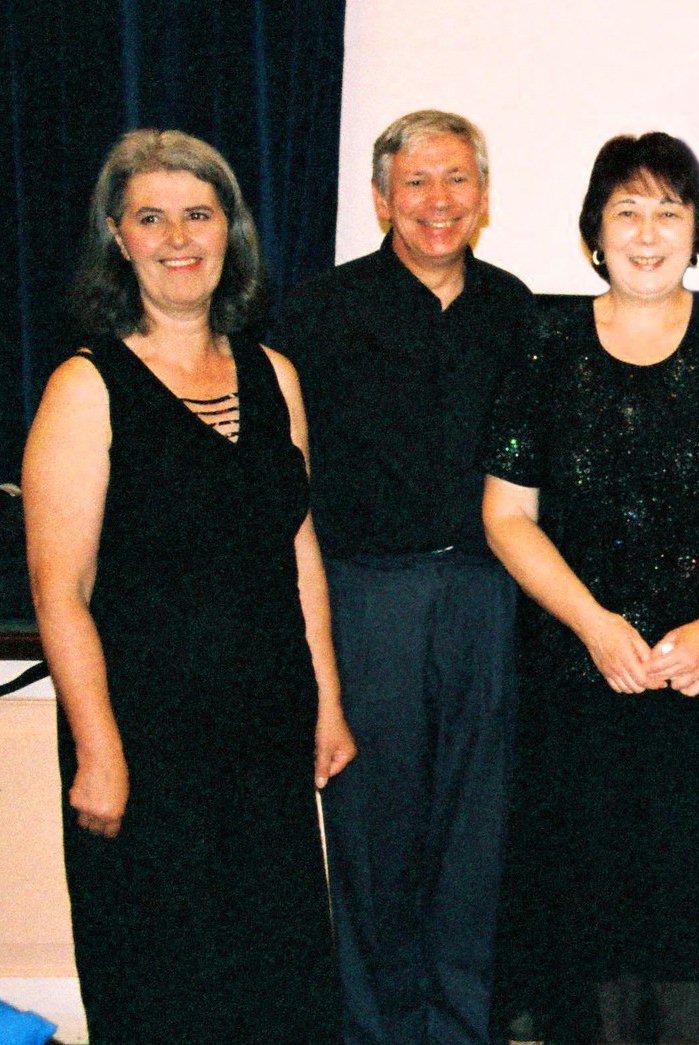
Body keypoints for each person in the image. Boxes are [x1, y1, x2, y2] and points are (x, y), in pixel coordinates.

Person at [24, 128, 352, 1042]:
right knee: (168, 984)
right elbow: (61, 590)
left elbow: (298, 550)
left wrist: (325, 700)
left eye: (199, 214)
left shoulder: (273, 374)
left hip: (265, 733)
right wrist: (99, 750)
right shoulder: (84, 389)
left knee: (279, 981)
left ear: (230, 233)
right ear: (117, 238)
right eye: (152, 217)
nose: (179, 236)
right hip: (145, 741)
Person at [483, 131, 699, 1045]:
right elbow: (507, 515)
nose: (648, 229)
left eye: (670, 208)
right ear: (594, 229)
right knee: (590, 893)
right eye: (626, 208)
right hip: (581, 674)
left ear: (698, 227)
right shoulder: (547, 341)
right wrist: (593, 626)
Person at [268, 110, 532, 1045]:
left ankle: (462, 1031)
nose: (437, 201)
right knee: (374, 842)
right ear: (380, 198)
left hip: (490, 601)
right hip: (365, 599)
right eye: (415, 182)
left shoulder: (518, 313)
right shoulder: (312, 314)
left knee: (476, 845)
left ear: (484, 198)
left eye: (456, 179)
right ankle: (374, 1033)